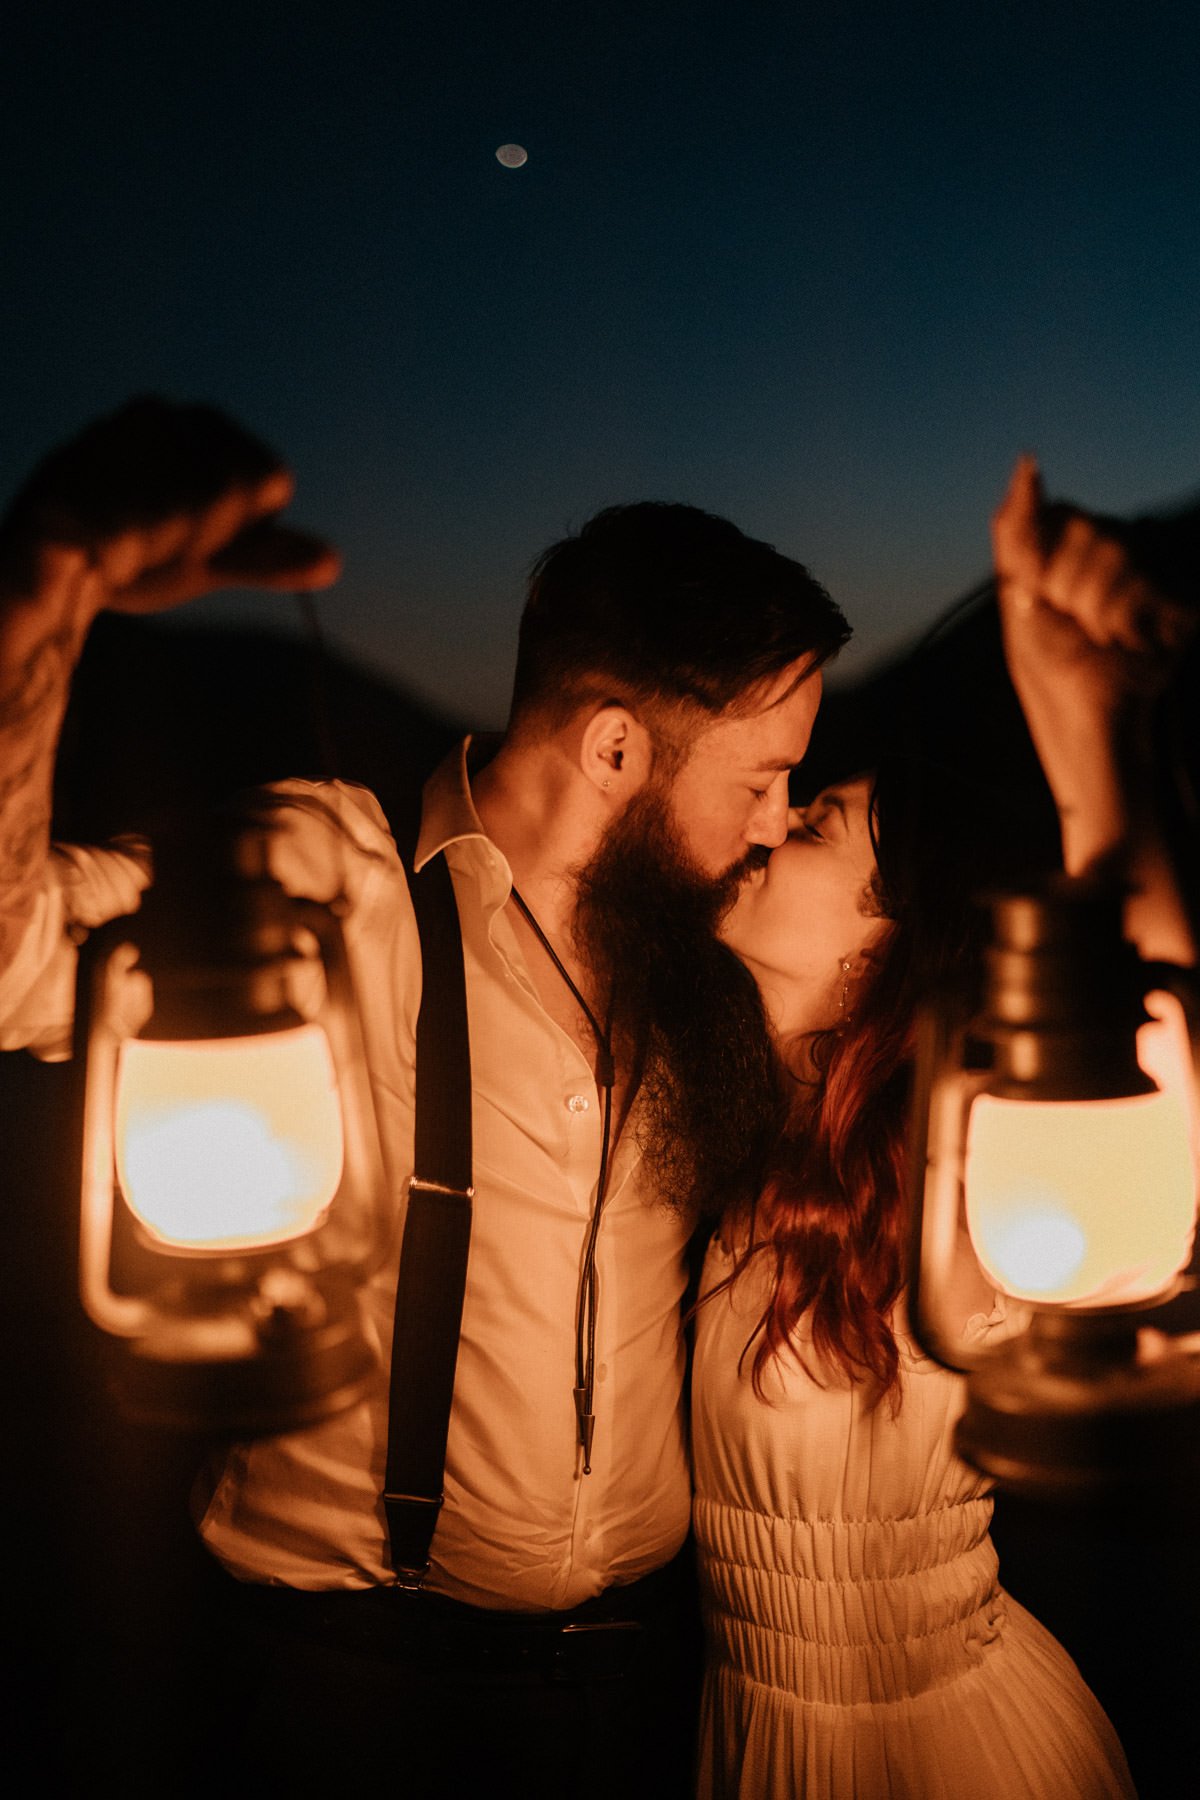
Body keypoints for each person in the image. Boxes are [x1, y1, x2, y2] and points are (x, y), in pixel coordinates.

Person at [0, 398, 850, 1797]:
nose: (774, 822)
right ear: (619, 750)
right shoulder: (343, 886)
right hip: (351, 1699)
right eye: (763, 780)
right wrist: (38, 605)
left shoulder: (704, 964)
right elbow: (22, 954)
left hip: (643, 1697)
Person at [688, 455, 1197, 1799]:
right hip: (745, 1737)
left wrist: (1095, 746)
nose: (779, 819)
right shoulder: (743, 1145)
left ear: (879, 950)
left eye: (821, 824)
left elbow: (1148, 1038)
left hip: (936, 1750)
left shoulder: (937, 1188)